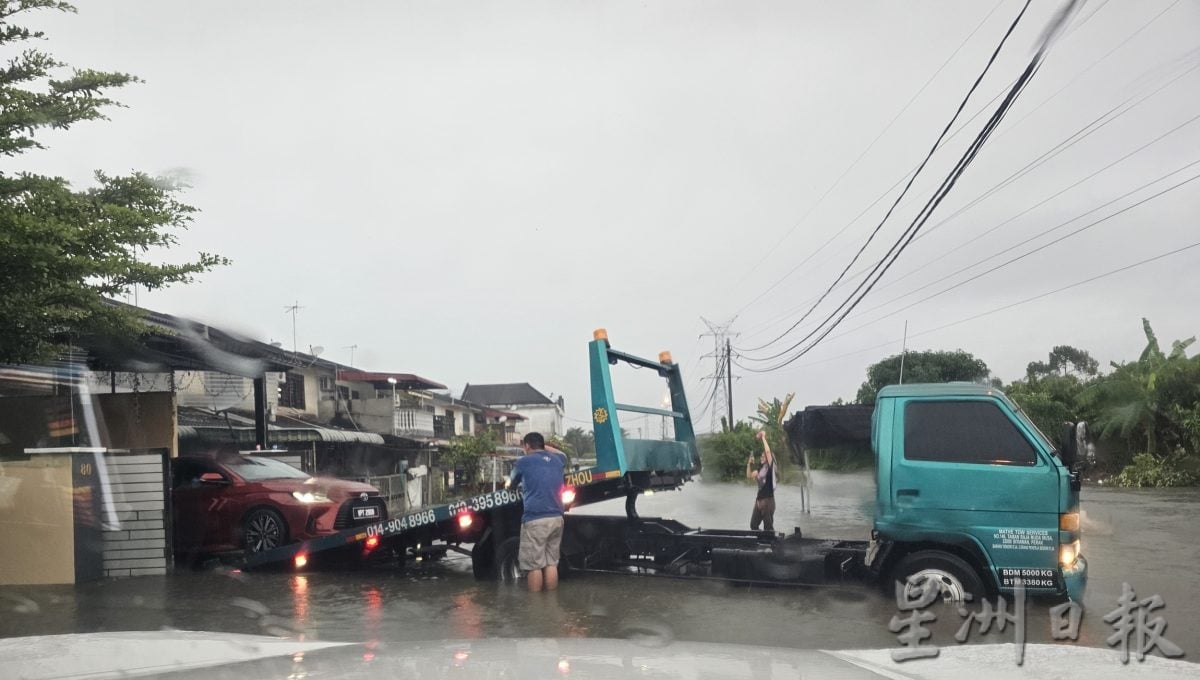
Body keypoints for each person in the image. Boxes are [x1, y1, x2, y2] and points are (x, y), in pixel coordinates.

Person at [506, 432, 567, 592]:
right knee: (551, 562)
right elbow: (562, 454)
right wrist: (543, 447)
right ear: (542, 445)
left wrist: (509, 485)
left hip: (535, 519)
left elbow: (511, 484)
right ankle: (551, 602)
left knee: (534, 565)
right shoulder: (557, 460)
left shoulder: (523, 462)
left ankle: (536, 607)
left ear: (526, 446)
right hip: (557, 518)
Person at [747, 431, 777, 532]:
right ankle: (759, 544)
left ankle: (771, 545)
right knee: (753, 525)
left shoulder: (769, 467)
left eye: (763, 456)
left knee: (768, 528)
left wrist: (763, 437)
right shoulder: (759, 470)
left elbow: (768, 452)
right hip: (759, 501)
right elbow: (749, 475)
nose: (762, 457)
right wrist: (749, 464)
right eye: (761, 456)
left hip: (768, 501)